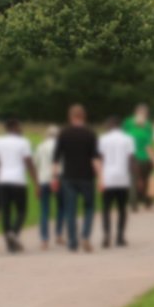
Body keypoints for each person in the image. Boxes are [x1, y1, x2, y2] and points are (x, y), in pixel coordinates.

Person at [0, 118, 38, 253]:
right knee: (22, 211)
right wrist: (36, 183)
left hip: (3, 181)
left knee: (6, 212)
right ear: (15, 127)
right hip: (19, 181)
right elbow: (29, 163)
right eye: (20, 127)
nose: (21, 129)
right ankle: (14, 233)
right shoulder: (24, 142)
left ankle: (10, 245)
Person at [55, 104, 101, 253]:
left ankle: (73, 242)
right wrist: (101, 177)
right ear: (84, 116)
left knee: (70, 210)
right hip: (87, 176)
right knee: (89, 207)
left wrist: (54, 177)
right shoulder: (90, 133)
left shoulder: (63, 133)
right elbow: (95, 158)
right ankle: (85, 235)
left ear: (70, 117)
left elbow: (56, 157)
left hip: (68, 176)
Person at [98, 116, 136, 248]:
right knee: (122, 209)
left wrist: (99, 176)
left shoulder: (102, 139)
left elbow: (100, 158)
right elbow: (131, 159)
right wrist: (135, 177)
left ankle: (106, 235)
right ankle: (120, 237)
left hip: (107, 178)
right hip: (122, 178)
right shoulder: (128, 139)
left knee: (106, 208)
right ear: (120, 126)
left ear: (109, 126)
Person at [34, 125, 65, 249]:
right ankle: (58, 234)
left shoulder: (41, 146)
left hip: (43, 179)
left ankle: (44, 239)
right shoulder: (61, 146)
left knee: (44, 210)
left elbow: (36, 163)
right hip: (59, 178)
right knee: (61, 207)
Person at [122, 104, 154, 212]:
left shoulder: (128, 125)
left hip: (131, 158)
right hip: (145, 158)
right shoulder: (147, 128)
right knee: (146, 179)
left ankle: (133, 203)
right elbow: (149, 146)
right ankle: (147, 201)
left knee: (133, 180)